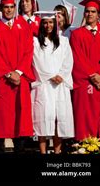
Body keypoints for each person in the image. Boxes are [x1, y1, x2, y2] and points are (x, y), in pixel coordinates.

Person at [0, 0, 35, 153]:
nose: (9, 10)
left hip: (21, 79)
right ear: (1, 9)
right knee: (0, 118)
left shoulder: (24, 26)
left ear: (15, 8)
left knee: (20, 117)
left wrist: (19, 72)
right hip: (1, 80)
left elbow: (29, 51)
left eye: (11, 7)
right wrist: (8, 73)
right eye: (6, 7)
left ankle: (19, 149)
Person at [31, 11, 74, 154]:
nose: (48, 25)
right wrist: (50, 75)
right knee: (43, 118)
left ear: (55, 24)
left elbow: (69, 60)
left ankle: (57, 151)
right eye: (45, 22)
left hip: (60, 85)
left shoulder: (63, 41)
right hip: (44, 85)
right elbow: (36, 61)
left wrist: (61, 75)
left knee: (58, 119)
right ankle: (43, 151)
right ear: (41, 24)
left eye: (50, 22)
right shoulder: (36, 42)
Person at [70, 0, 100, 142]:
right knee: (85, 115)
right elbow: (77, 57)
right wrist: (93, 75)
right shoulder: (77, 34)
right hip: (85, 81)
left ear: (98, 14)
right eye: (87, 11)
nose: (90, 14)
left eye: (93, 11)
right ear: (84, 14)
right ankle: (84, 146)